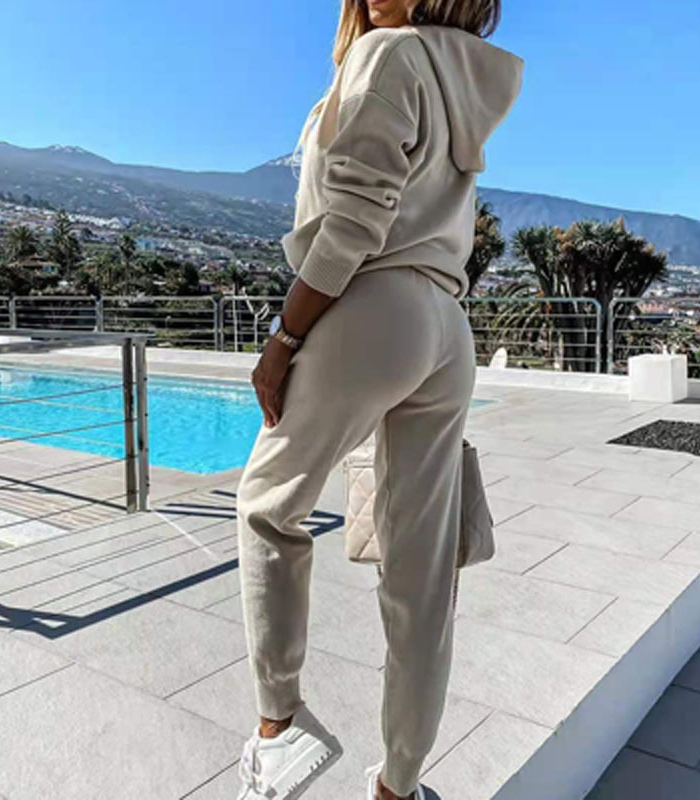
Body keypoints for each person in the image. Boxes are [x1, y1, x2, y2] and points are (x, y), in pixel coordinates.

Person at [235, 1, 523, 798]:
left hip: (373, 304)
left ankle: (279, 728)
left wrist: (285, 337)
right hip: (447, 327)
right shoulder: (463, 74)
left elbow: (357, 221)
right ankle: (399, 784)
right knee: (422, 577)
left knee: (267, 505)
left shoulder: (391, 54)